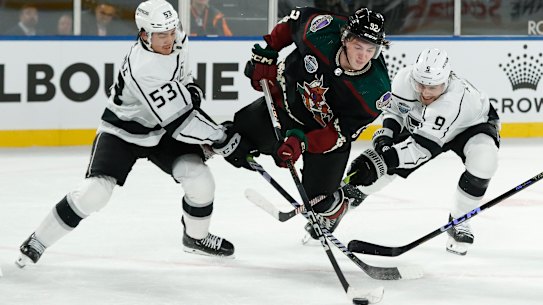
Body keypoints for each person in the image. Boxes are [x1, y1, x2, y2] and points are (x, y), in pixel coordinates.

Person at [15, 0, 253, 268]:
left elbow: (182, 78)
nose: (168, 39)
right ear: (144, 34)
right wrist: (220, 137)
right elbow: (182, 122)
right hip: (122, 131)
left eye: (171, 31)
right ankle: (38, 240)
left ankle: (195, 237)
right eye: (161, 34)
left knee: (200, 179)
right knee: (95, 193)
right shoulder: (144, 68)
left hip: (160, 129)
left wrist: (193, 90)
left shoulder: (178, 38)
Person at [227, 7, 391, 239]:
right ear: (345, 39)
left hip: (324, 136)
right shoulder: (321, 30)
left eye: (370, 50)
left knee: (320, 201)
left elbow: (338, 135)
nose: (362, 56)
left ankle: (336, 209)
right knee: (236, 138)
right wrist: (269, 52)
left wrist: (301, 142)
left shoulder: (374, 92)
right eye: (358, 47)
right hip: (287, 107)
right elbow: (292, 23)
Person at [345, 48, 500, 255]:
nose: (426, 93)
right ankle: (343, 203)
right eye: (421, 85)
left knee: (484, 160)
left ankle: (460, 218)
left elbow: (420, 150)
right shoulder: (405, 80)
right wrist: (385, 139)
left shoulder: (452, 101)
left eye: (433, 87)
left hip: (470, 125)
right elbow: (394, 112)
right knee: (387, 165)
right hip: (430, 126)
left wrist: (381, 161)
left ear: (446, 82)